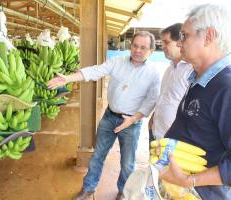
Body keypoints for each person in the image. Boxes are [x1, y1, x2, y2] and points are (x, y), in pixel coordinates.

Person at [48, 31, 160, 200]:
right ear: (130, 46)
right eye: (135, 46)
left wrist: (134, 119)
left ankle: (124, 191)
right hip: (110, 117)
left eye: (143, 47)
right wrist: (68, 79)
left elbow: (151, 100)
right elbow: (96, 71)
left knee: (127, 163)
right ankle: (88, 189)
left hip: (132, 122)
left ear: (151, 51)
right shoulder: (118, 62)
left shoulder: (153, 73)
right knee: (97, 156)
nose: (138, 50)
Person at [159, 4, 231, 199]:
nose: (179, 42)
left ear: (208, 37)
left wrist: (189, 180)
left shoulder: (226, 87)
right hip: (179, 190)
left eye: (184, 36)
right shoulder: (197, 79)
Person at [148, 23, 192, 142]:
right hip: (157, 133)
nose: (163, 46)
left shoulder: (191, 71)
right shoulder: (170, 68)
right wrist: (153, 120)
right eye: (162, 43)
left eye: (166, 42)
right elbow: (164, 97)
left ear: (180, 42)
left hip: (174, 140)